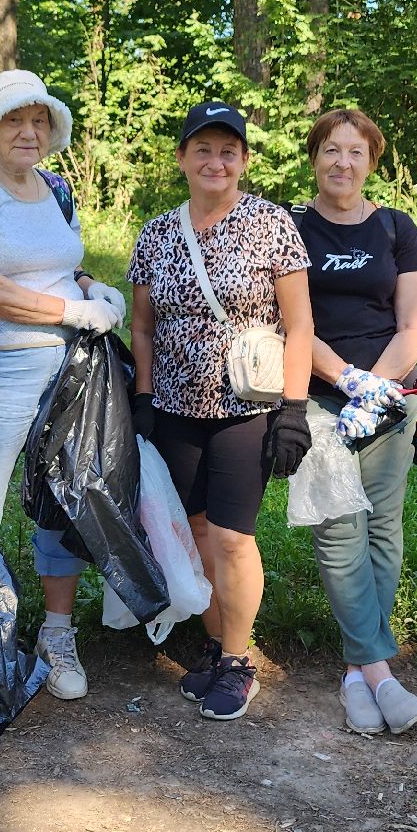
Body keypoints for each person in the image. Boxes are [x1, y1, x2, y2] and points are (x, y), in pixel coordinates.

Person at [0, 70, 127, 703]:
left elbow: (61, 262)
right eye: (14, 120)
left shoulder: (58, 187)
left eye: (39, 120)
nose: (28, 131)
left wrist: (92, 287)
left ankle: (56, 632)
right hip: (1, 367)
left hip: (71, 366)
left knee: (62, 496)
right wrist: (72, 311)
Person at [126, 101, 313, 722]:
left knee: (233, 537)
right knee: (195, 530)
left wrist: (293, 409)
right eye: (202, 149)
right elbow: (143, 326)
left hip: (246, 409)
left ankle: (237, 659)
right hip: (175, 410)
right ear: (181, 158)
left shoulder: (271, 224)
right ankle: (213, 639)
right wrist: (145, 398)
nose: (216, 161)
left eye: (228, 150)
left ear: (244, 160)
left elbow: (299, 322)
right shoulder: (155, 233)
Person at [289, 108, 417, 735]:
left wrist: (377, 386)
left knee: (381, 524)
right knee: (338, 525)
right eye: (330, 150)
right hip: (321, 393)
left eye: (355, 152)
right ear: (314, 157)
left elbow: (415, 324)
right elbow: (295, 323)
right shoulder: (289, 227)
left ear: (372, 161)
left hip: (392, 394)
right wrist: (345, 380)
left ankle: (356, 672)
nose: (342, 163)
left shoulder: (398, 228)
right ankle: (378, 669)